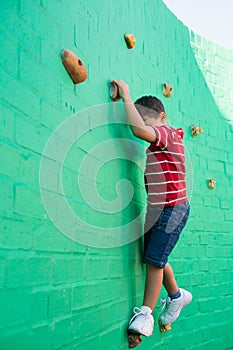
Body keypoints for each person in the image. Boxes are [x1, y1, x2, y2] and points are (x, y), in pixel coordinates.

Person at [112, 80, 192, 346]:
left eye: (150, 122)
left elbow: (137, 129)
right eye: (144, 121)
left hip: (173, 208)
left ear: (163, 118)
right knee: (155, 256)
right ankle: (177, 296)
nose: (147, 127)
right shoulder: (157, 146)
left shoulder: (169, 134)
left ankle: (146, 313)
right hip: (158, 209)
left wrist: (125, 94)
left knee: (155, 260)